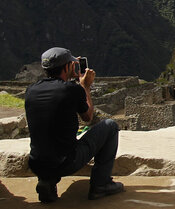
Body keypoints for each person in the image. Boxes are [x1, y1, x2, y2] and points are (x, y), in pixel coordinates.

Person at [24, 47, 124, 203]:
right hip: (66, 162)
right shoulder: (72, 90)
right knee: (110, 125)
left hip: (36, 163)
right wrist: (85, 86)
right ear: (68, 67)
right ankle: (101, 185)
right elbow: (88, 117)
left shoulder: (31, 90)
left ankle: (47, 181)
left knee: (50, 142)